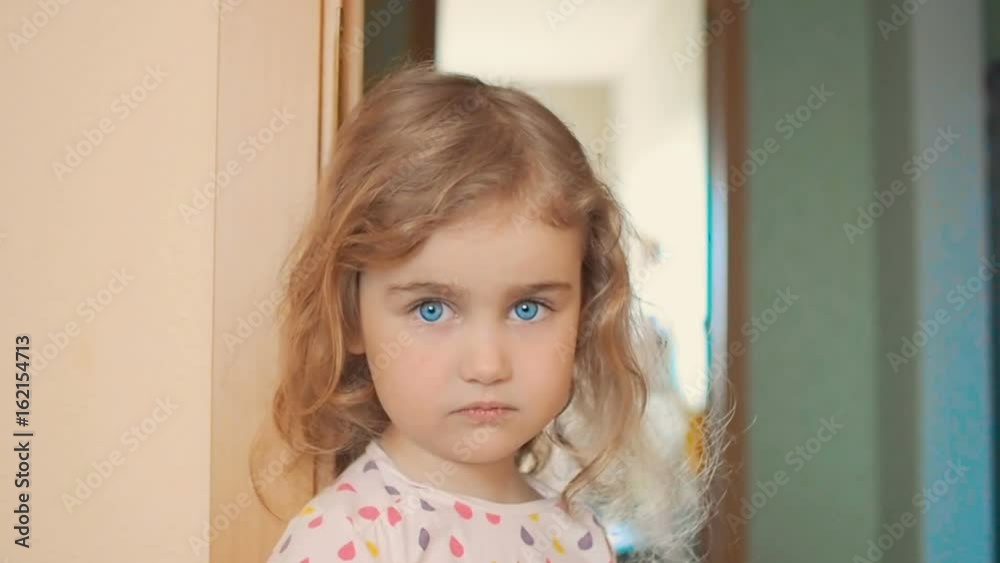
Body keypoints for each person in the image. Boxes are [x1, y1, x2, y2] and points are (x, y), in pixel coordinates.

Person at [258, 62, 710, 563]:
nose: (488, 365)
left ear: (585, 315)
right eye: (431, 309)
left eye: (528, 307)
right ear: (350, 314)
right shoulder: (343, 540)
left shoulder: (578, 536)